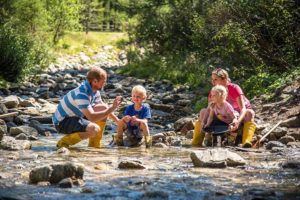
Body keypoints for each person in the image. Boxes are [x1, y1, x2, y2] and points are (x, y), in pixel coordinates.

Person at [52, 67, 122, 148]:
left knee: (103, 107)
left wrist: (117, 121)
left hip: (75, 117)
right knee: (94, 129)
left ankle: (94, 145)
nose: (105, 84)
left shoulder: (95, 91)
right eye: (104, 81)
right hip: (62, 122)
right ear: (95, 81)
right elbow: (92, 117)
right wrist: (112, 108)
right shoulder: (82, 94)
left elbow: (104, 109)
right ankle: (63, 143)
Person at [192, 68, 256, 148]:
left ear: (224, 79)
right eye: (212, 79)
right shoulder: (214, 91)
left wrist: (237, 122)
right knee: (203, 111)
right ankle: (196, 144)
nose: (213, 82)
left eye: (215, 79)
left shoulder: (234, 88)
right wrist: (204, 123)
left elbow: (243, 108)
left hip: (237, 115)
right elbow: (210, 109)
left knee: (249, 112)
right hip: (222, 115)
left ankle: (246, 142)